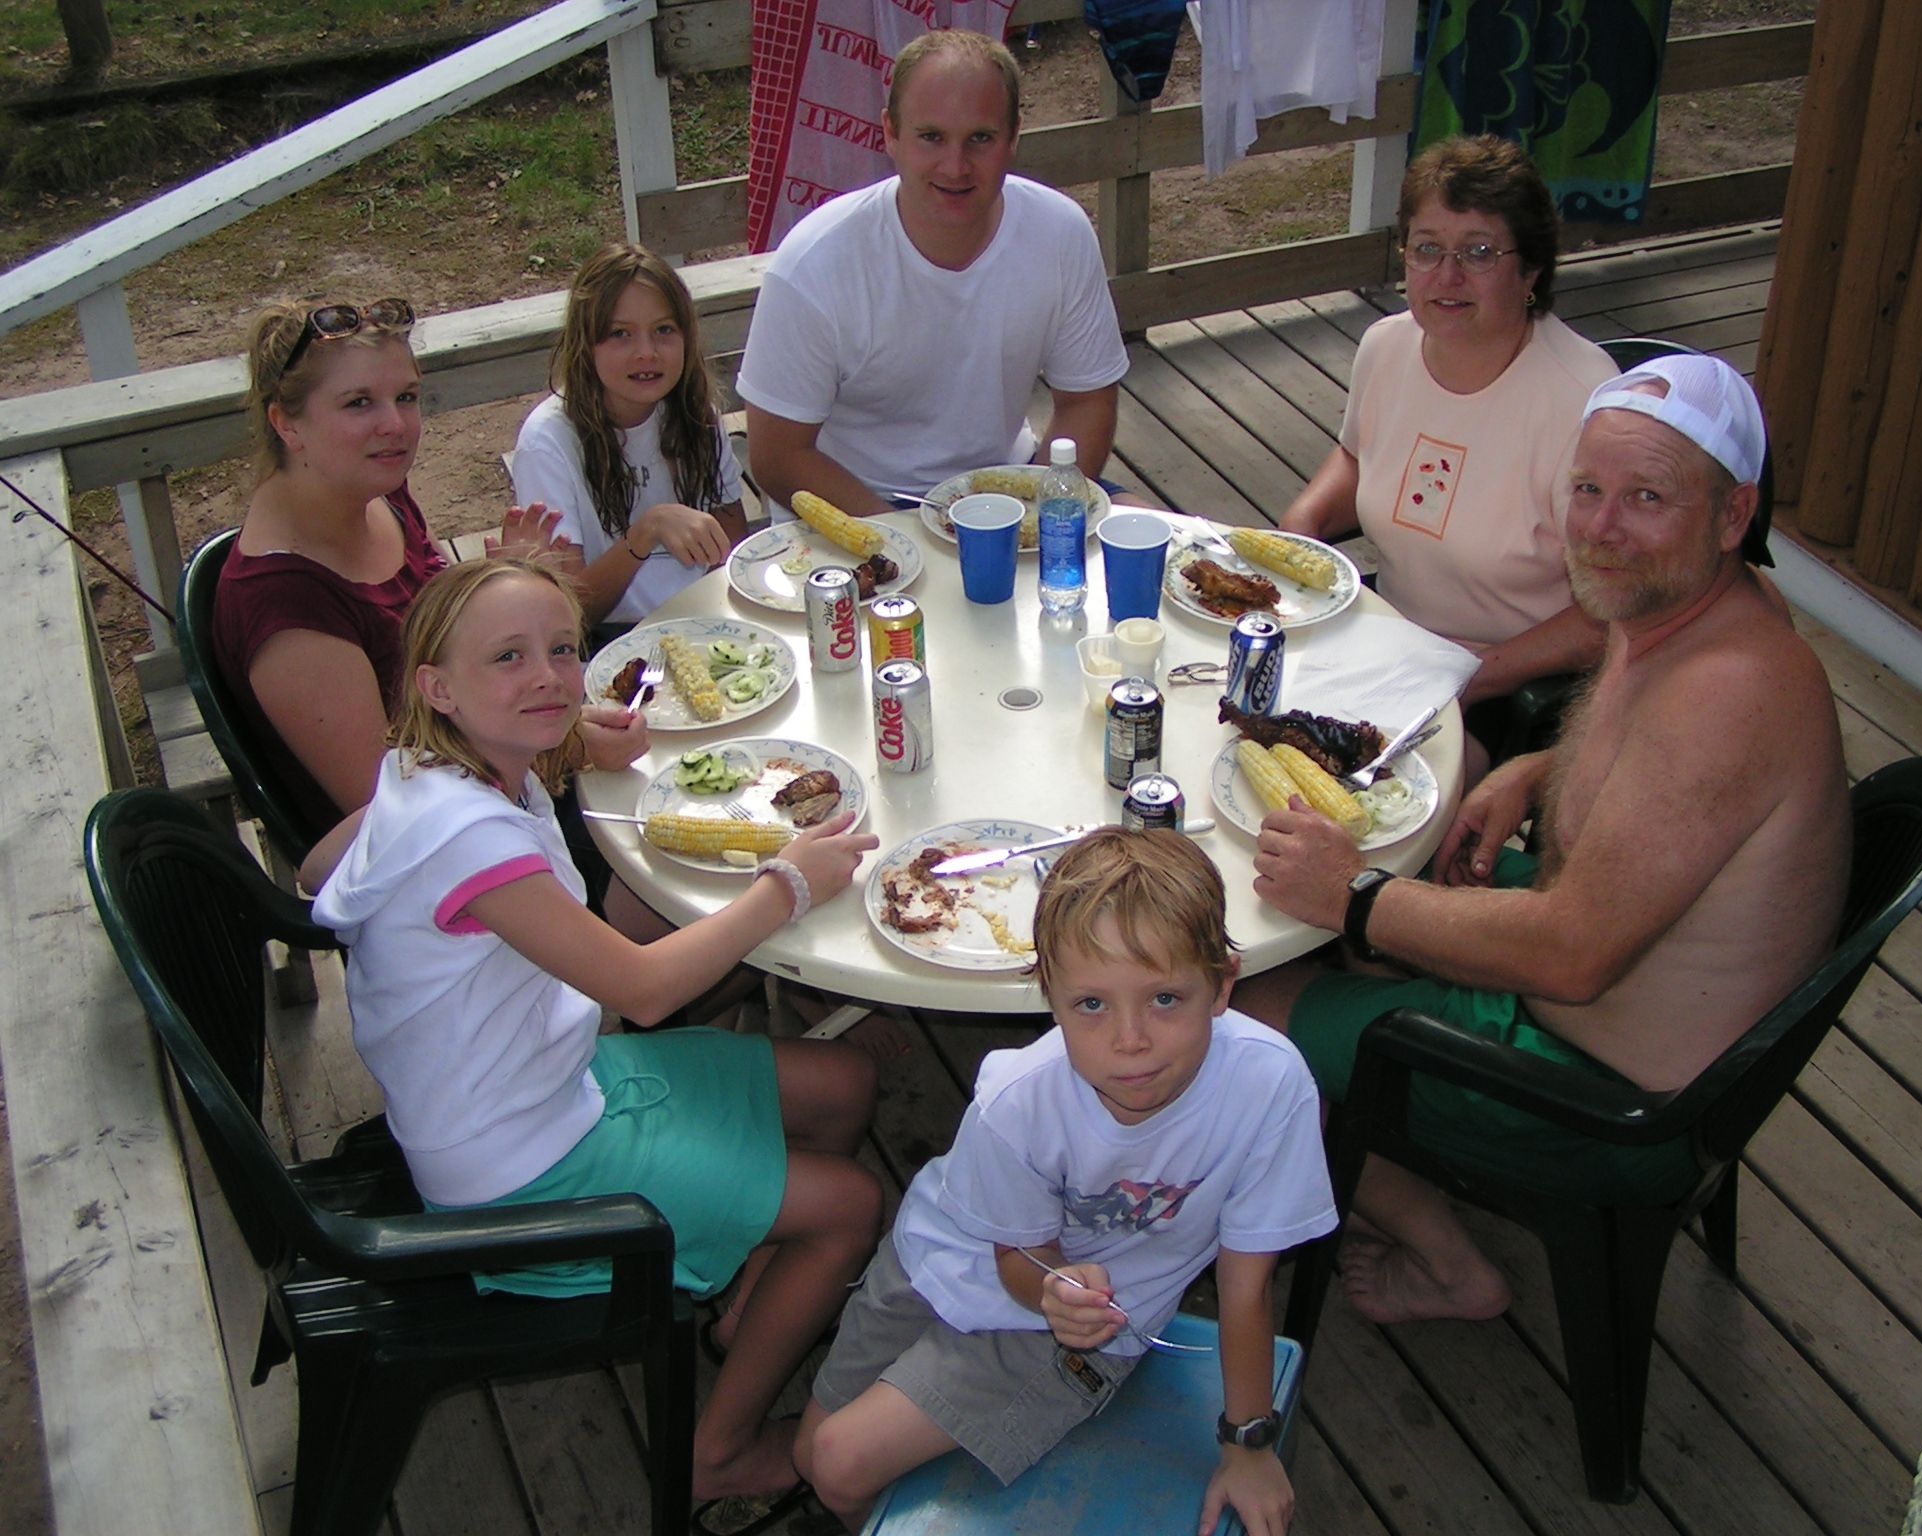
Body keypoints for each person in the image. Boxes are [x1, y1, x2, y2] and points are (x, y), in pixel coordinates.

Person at [1236, 356, 1850, 1324]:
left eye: (1645, 497)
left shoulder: (1728, 692)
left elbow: (1572, 954)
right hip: (1604, 982)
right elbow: (1654, 777)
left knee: (1238, 1010)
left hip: (1600, 1097)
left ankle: (1443, 1261)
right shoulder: (1690, 609)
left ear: (1730, 516)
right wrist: (1536, 769)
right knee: (1344, 913)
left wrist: (1354, 895)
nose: (1600, 529)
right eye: (1586, 490)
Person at [299, 557, 884, 1511]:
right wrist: (789, 884)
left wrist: (566, 744)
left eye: (563, 651)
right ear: (437, 689)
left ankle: (749, 1307)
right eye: (508, 658)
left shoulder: (423, 768)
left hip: (543, 1086)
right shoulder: (470, 842)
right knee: (854, 1205)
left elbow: (321, 868)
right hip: (519, 1168)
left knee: (844, 1082)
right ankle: (717, 1455)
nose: (548, 676)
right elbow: (646, 989)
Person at [795, 829, 1337, 1535]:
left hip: (1084, 1329)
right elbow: (1016, 1256)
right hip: (940, 1251)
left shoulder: (1271, 1086)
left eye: (1166, 997)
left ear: (1224, 985)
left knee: (838, 1462)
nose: (1131, 1039)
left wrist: (1247, 1443)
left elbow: (1246, 1286)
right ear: (1048, 997)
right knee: (811, 1457)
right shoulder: (1014, 1102)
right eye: (1091, 1005)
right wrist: (1050, 1284)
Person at [215, 297, 644, 836]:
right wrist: (566, 745)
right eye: (358, 403)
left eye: (407, 396)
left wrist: (506, 594)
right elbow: (396, 807)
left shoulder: (374, 496)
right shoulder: (285, 609)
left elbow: (444, 652)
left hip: (505, 766)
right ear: (286, 424)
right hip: (449, 861)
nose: (395, 424)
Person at [1278, 135, 1618, 772]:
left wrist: (1467, 673)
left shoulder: (1582, 404)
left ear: (1532, 270)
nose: (1447, 276)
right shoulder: (1386, 346)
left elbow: (1601, 618)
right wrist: (1304, 525)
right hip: (1384, 630)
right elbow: (1357, 456)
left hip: (1506, 677)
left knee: (1357, 803)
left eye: (1479, 253)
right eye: (1428, 249)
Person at [738, 30, 1129, 518]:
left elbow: (1087, 399)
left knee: (1177, 550)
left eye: (980, 139)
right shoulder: (814, 261)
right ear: (891, 134)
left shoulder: (1061, 231)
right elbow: (778, 456)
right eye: (931, 137)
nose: (955, 166)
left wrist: (1041, 518)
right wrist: (908, 541)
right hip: (858, 506)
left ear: (1013, 138)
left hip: (1011, 488)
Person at [512, 245, 747, 636]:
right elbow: (569, 614)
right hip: (612, 639)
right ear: (586, 346)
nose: (647, 353)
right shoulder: (548, 443)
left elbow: (732, 546)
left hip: (704, 621)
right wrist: (646, 531)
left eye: (664, 330)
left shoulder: (696, 415)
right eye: (620, 334)